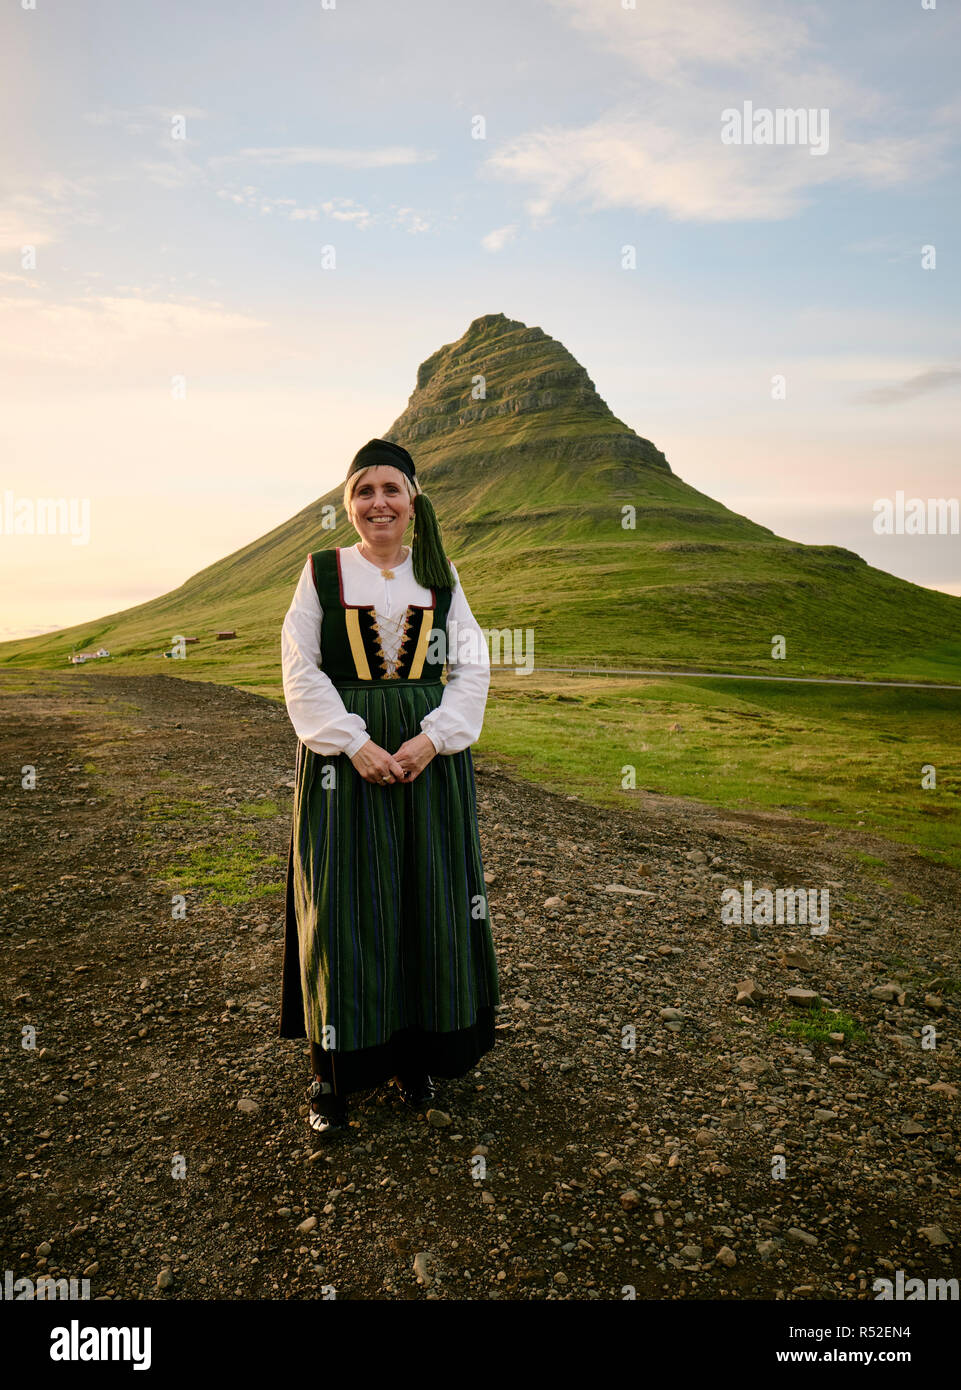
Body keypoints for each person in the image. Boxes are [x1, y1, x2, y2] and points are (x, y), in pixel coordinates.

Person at [277, 438, 501, 1138]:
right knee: (343, 907)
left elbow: (469, 668)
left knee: (425, 899)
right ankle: (332, 1076)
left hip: (425, 760)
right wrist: (354, 743)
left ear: (412, 502)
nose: (378, 502)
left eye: (391, 490)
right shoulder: (321, 573)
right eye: (364, 490)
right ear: (350, 504)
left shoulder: (440, 577)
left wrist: (433, 738)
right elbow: (300, 669)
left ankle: (416, 1058)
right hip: (344, 764)